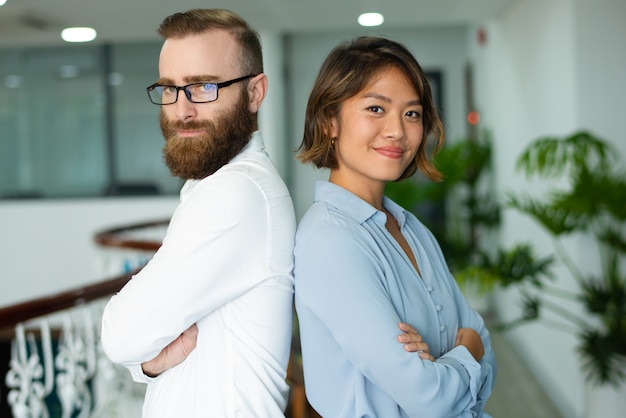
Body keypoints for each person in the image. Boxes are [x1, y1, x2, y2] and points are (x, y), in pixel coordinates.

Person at [100, 9, 297, 417]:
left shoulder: (236, 191)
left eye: (203, 87)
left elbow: (120, 336)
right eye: (169, 88)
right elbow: (139, 346)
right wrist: (149, 363)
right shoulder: (215, 185)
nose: (181, 109)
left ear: (255, 92)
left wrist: (140, 353)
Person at [294, 36, 497, 417]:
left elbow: (485, 343)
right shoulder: (329, 239)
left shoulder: (410, 227)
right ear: (329, 123)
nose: (397, 131)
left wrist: (447, 362)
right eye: (376, 108)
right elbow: (430, 397)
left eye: (412, 113)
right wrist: (466, 351)